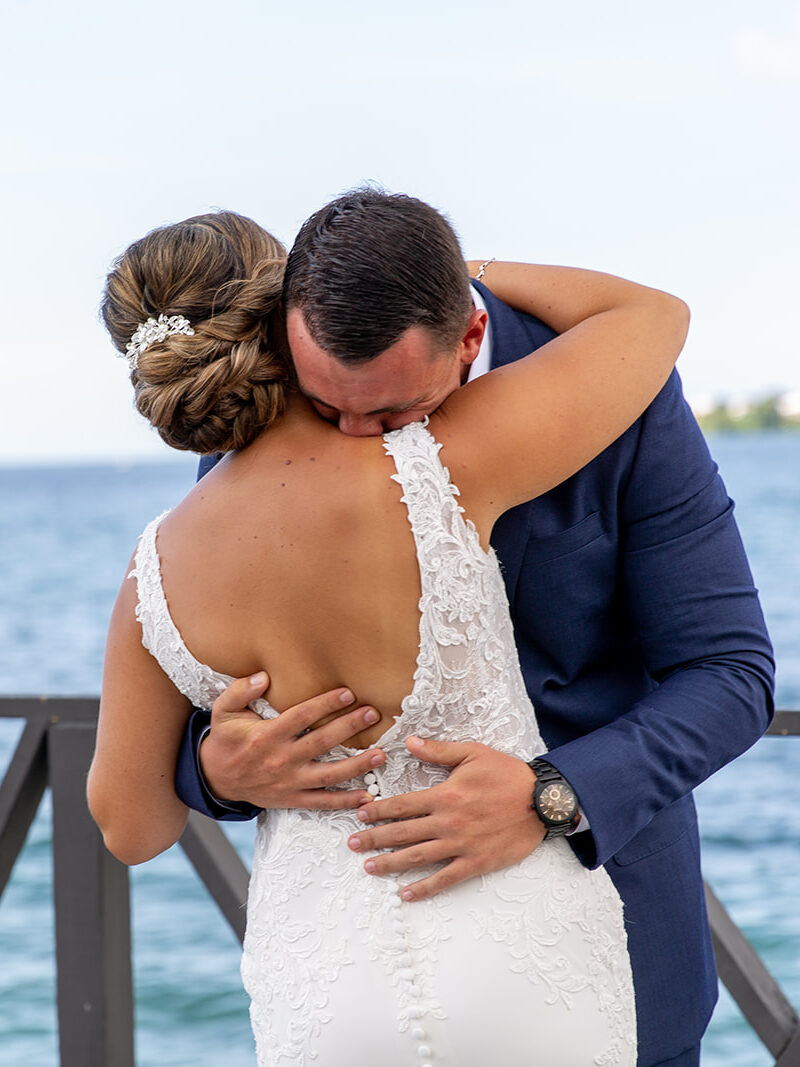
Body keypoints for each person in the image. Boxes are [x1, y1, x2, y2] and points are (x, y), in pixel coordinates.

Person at [172, 191, 775, 1067]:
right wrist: (218, 769)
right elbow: (193, 691)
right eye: (326, 406)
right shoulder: (259, 411)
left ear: (467, 335)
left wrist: (551, 794)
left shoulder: (619, 380)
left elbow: (731, 673)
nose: (356, 441)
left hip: (609, 953)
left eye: (390, 414)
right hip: (358, 982)